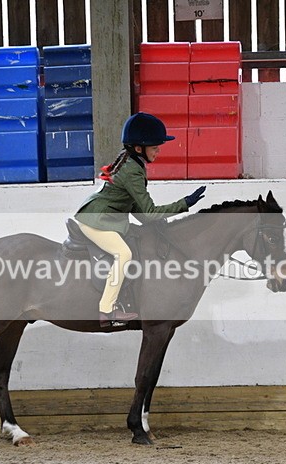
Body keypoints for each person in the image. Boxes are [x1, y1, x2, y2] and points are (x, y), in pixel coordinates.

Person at [74, 112, 207, 327]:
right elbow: (150, 210)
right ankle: (107, 310)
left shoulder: (132, 162)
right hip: (95, 221)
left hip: (105, 216)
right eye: (155, 148)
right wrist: (185, 203)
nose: (158, 151)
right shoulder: (132, 171)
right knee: (123, 254)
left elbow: (136, 207)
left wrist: (153, 223)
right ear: (139, 148)